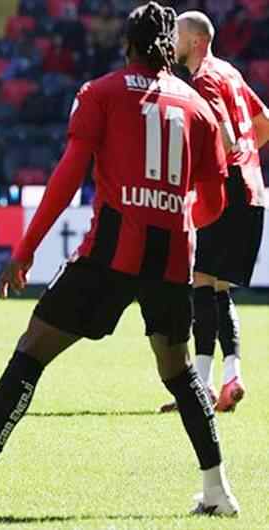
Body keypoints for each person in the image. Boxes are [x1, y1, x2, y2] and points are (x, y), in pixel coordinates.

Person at [0, 2, 240, 516]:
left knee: (30, 352)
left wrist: (23, 253)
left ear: (127, 43)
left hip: (109, 257)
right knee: (179, 373)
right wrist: (172, 215)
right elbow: (213, 202)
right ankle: (218, 491)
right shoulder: (198, 108)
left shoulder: (102, 93)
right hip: (171, 260)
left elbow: (67, 177)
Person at [158, 11, 269, 413]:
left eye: (177, 36)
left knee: (200, 282)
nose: (172, 42)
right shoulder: (231, 72)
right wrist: (247, 160)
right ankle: (231, 375)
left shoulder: (204, 77)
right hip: (254, 191)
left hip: (226, 193)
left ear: (195, 41)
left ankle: (200, 387)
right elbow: (263, 123)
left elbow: (220, 134)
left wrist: (214, 171)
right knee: (218, 288)